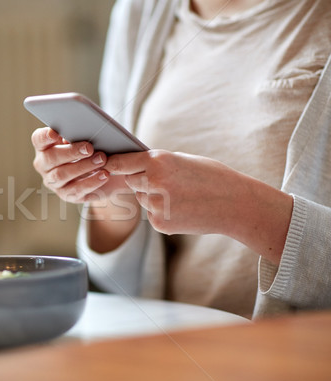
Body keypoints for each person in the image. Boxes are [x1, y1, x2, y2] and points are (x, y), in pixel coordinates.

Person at [31, 0, 331, 319]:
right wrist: (108, 187)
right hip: (172, 342)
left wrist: (241, 208)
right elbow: (120, 284)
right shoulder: (140, 10)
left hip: (293, 356)